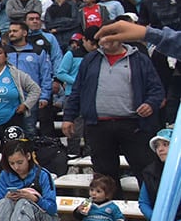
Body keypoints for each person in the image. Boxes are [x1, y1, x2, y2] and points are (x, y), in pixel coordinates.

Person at [61, 22, 162, 193]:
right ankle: (109, 216)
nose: (106, 39)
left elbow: (157, 89)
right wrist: (69, 117)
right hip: (98, 125)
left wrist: (150, 104)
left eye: (110, 35)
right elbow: (78, 90)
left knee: (146, 171)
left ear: (121, 36)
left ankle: (153, 213)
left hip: (134, 125)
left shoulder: (139, 59)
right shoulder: (90, 60)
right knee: (105, 176)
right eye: (102, 36)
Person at [137, 127, 181, 221]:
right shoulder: (150, 172)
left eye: (165, 144)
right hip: (159, 219)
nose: (160, 149)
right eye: (157, 146)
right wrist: (157, 219)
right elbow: (143, 202)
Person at [0, 39, 40, 133]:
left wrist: (26, 105)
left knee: (13, 147)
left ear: (6, 57)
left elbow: (35, 89)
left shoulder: (16, 74)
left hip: (12, 118)